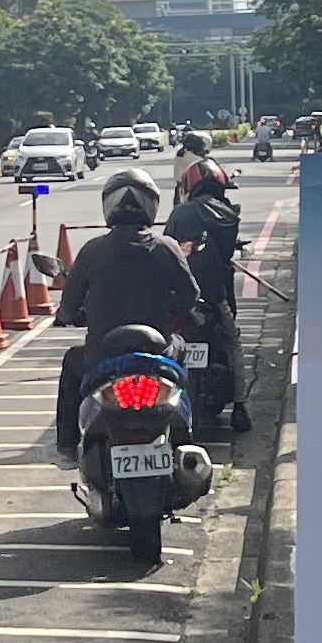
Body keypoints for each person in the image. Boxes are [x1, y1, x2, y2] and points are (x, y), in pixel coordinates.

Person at [52, 167, 208, 456]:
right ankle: (189, 430)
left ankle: (66, 445)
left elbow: (69, 305)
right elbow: (191, 296)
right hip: (158, 354)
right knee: (185, 352)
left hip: (103, 357)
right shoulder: (167, 247)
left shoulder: (92, 251)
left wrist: (64, 316)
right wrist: (172, 310)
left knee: (71, 362)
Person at [167, 133, 252, 432]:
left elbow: (168, 245)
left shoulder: (179, 213)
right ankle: (241, 406)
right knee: (233, 342)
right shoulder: (229, 215)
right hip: (216, 295)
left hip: (180, 296)